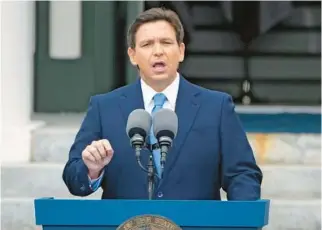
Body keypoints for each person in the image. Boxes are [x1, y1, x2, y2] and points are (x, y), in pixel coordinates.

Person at [62, 7, 262, 200]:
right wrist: (92, 169)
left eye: (166, 42)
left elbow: (243, 175)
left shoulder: (216, 107)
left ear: (181, 51)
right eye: (147, 44)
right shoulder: (104, 108)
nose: (158, 51)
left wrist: (241, 219)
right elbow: (73, 177)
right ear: (132, 55)